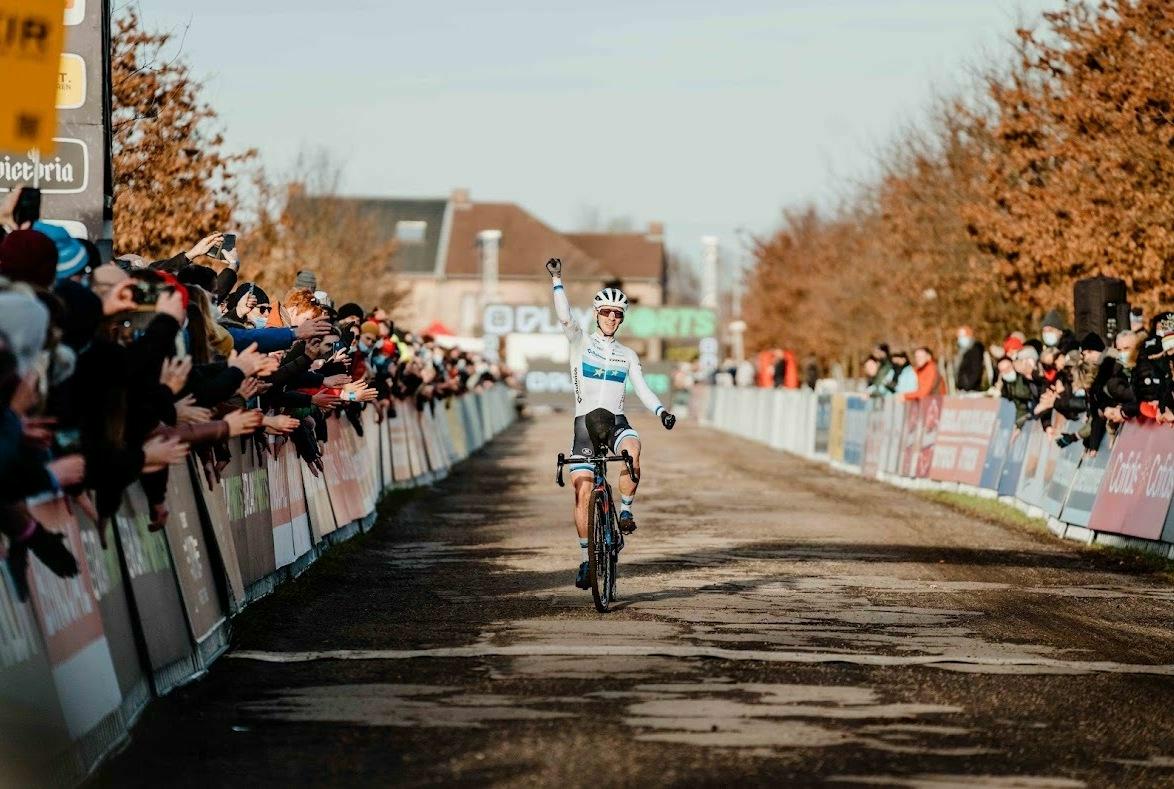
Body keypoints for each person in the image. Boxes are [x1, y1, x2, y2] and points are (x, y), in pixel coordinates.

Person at [545, 257, 674, 591]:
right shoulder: (580, 342)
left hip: (616, 421)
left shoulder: (627, 355)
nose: (612, 318)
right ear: (597, 314)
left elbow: (643, 389)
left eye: (618, 314)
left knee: (633, 448)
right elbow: (564, 316)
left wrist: (661, 411)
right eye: (606, 312)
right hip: (584, 425)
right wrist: (557, 279)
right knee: (582, 490)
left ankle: (627, 510)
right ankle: (588, 559)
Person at [954, 326, 986, 392]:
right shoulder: (963, 351)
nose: (960, 339)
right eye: (959, 337)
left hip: (971, 389)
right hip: (964, 388)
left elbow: (976, 370)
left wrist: (967, 386)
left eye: (962, 337)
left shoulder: (975, 350)